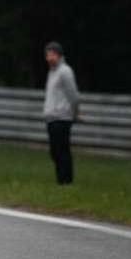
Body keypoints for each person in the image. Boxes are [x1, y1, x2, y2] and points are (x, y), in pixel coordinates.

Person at [43, 41, 80, 185]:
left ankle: (66, 181)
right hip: (52, 118)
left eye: (51, 55)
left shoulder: (65, 71)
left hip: (62, 117)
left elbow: (74, 95)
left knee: (62, 150)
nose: (49, 58)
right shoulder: (52, 72)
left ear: (58, 55)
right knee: (54, 152)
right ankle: (61, 179)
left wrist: (75, 113)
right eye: (47, 55)